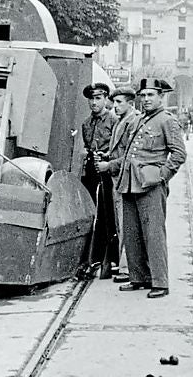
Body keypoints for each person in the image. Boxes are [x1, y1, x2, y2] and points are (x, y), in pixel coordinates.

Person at [116, 78, 186, 299]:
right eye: (143, 95)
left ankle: (160, 282)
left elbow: (179, 154)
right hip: (130, 183)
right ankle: (139, 278)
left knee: (154, 234)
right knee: (132, 234)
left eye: (151, 95)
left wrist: (161, 176)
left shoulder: (167, 121)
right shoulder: (138, 120)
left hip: (151, 186)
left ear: (160, 97)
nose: (146, 99)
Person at [101, 85, 140, 283]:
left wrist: (109, 164)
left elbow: (129, 155)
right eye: (114, 102)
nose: (114, 106)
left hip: (126, 179)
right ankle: (124, 264)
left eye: (119, 102)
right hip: (117, 178)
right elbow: (119, 149)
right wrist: (108, 155)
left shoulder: (133, 122)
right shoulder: (121, 121)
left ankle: (128, 268)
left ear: (130, 103)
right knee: (119, 222)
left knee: (126, 224)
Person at [80, 82, 118, 279]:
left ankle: (111, 260)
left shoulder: (114, 121)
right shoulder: (86, 124)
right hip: (92, 172)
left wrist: (106, 156)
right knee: (93, 214)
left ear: (105, 99)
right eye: (91, 99)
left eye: (98, 98)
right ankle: (92, 258)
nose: (93, 103)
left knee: (108, 216)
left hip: (108, 173)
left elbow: (119, 148)